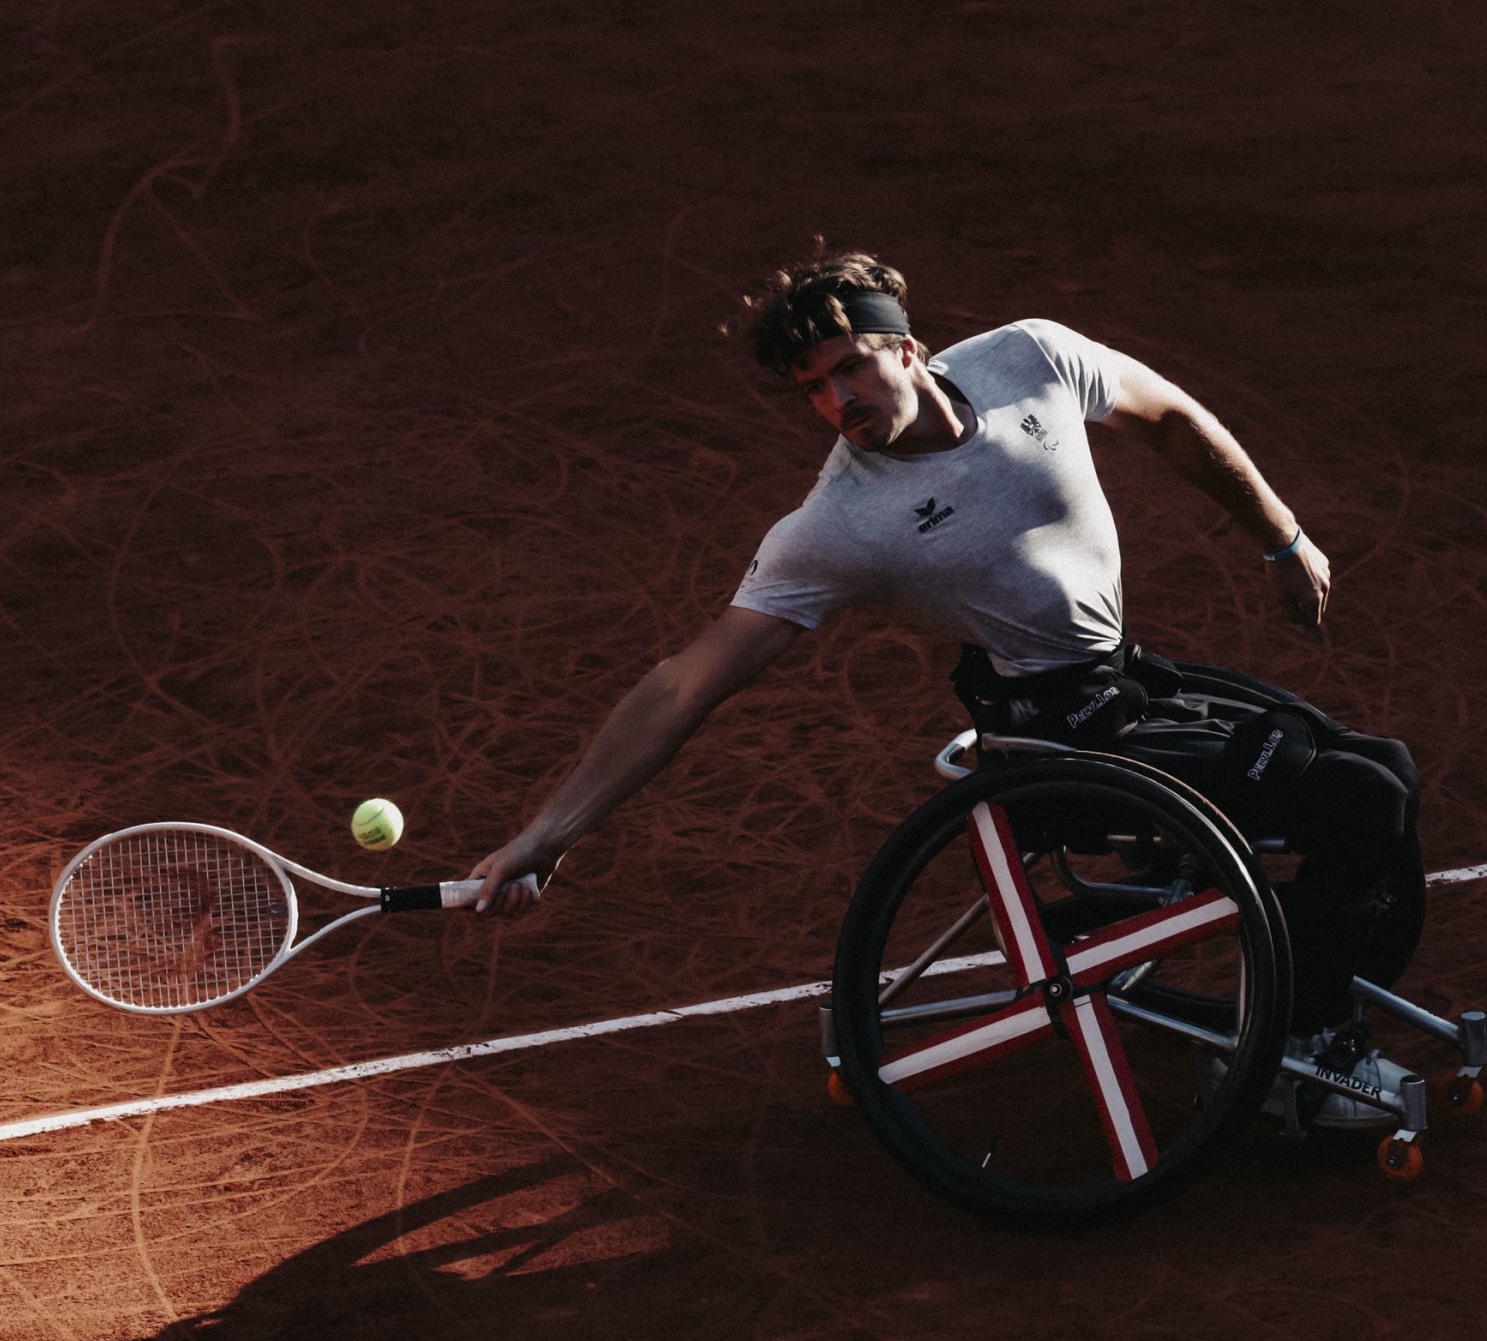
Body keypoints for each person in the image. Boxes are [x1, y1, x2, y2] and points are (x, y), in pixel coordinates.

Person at [465, 248, 1426, 1123]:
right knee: (1359, 798)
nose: (837, 401)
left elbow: (1170, 418)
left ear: (911, 350)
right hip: (1063, 735)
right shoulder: (838, 525)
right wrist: (548, 835)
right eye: (812, 388)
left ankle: (1300, 1006)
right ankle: (1293, 1059)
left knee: (1383, 768)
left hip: (1129, 686)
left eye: (851, 367)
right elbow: (686, 683)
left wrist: (1282, 537)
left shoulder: (1032, 359)